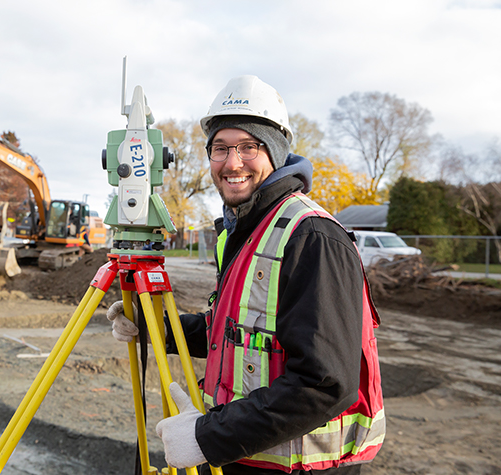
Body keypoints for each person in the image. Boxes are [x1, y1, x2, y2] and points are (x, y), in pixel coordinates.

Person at [107, 76, 385, 474]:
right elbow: (237, 332)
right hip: (244, 456)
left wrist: (207, 437)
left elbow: (323, 382)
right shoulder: (247, 231)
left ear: (274, 152)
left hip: (303, 468)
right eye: (220, 148)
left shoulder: (313, 237)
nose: (232, 162)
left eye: (248, 147)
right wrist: (157, 329)